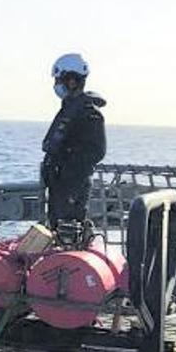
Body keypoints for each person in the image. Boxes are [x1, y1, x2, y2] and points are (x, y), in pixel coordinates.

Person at [41, 53, 106, 230]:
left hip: (72, 186)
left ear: (72, 80)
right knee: (56, 229)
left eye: (59, 80)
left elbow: (96, 151)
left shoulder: (88, 113)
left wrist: (68, 164)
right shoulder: (70, 109)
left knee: (69, 232)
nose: (57, 85)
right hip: (60, 185)